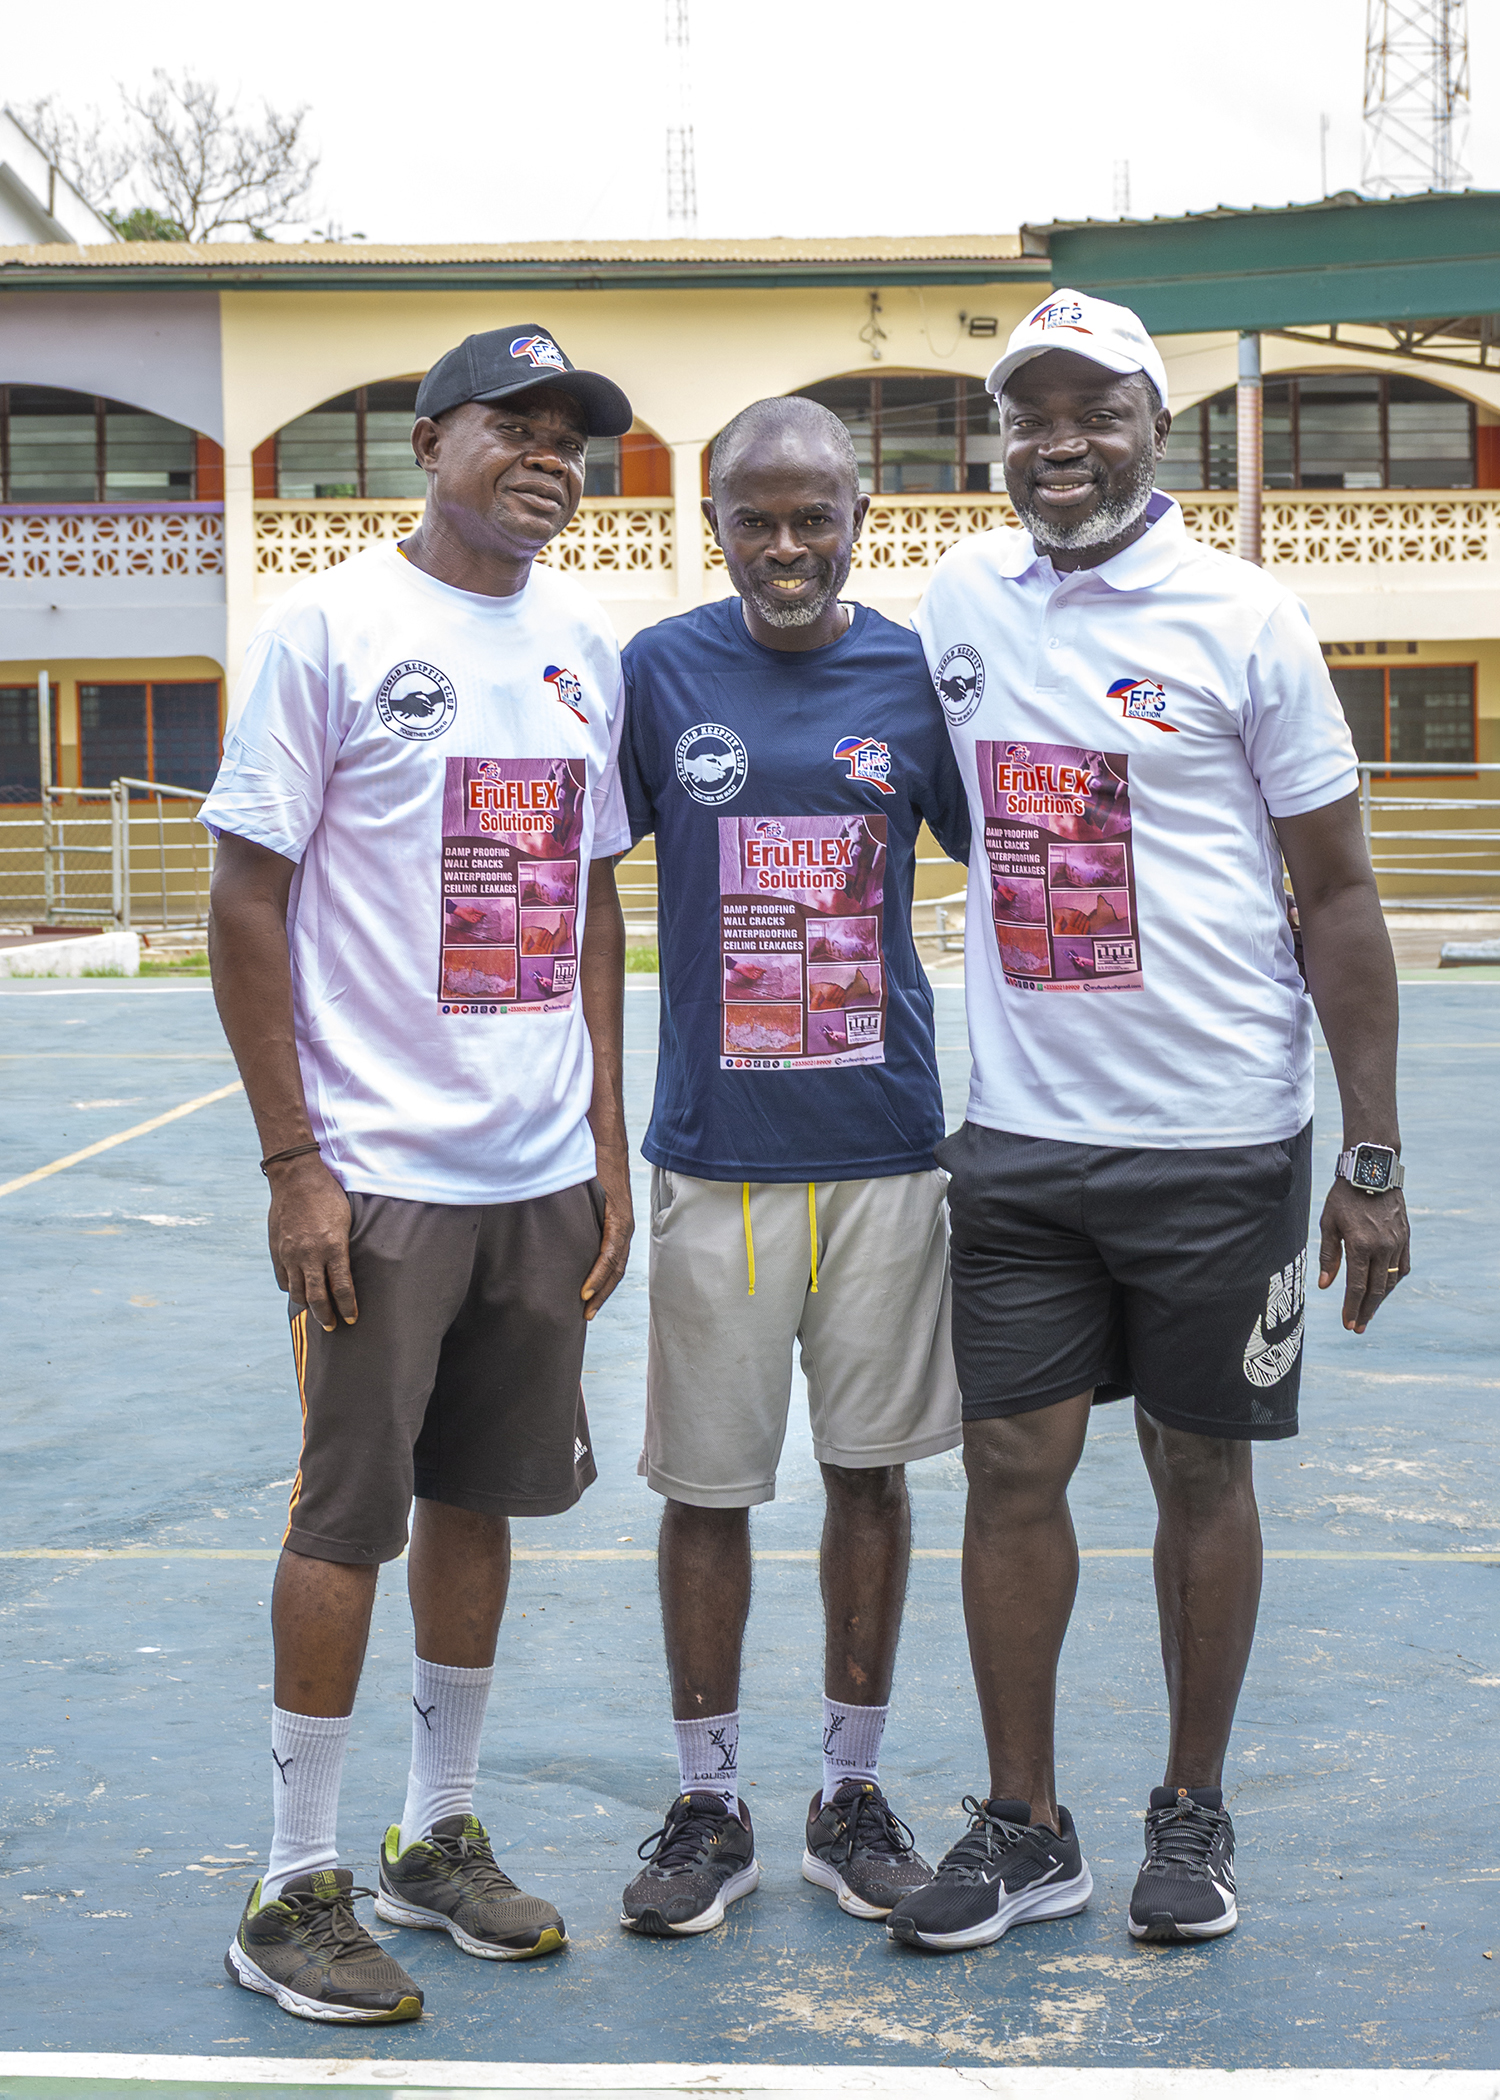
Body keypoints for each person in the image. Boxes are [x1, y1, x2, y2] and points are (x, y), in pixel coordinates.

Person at [888, 290, 1409, 1953]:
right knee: (1009, 1465)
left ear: (1154, 428)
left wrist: (1370, 1156)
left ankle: (1192, 1809)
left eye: (1095, 410)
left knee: (1200, 1465)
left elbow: (1339, 898)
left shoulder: (1246, 618)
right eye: (1028, 414)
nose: (1060, 442)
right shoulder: (956, 600)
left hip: (1219, 1140)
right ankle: (1024, 1824)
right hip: (1022, 1139)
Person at [201, 326, 636, 2023]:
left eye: (572, 439)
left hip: (535, 1172)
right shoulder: (329, 629)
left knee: (481, 1501)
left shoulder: (585, 649)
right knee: (346, 1517)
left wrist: (603, 1138)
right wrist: (293, 1162)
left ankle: (431, 1836)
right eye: (514, 426)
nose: (549, 458)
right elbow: (246, 899)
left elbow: (591, 901)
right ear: (428, 443)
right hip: (375, 1174)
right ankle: (291, 1883)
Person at [615, 395, 971, 1937]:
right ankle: (710, 1803)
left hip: (886, 1148)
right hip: (719, 1158)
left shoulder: (916, 678)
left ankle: (849, 1791)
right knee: (708, 1489)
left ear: (857, 519)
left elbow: (1025, 867)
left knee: (868, 1476)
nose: (782, 545)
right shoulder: (657, 671)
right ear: (711, 524)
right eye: (751, 518)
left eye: (810, 516)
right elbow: (574, 880)